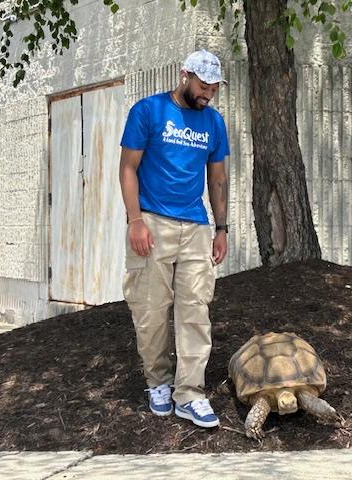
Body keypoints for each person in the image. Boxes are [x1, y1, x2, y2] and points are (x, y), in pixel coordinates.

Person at [119, 49, 229, 428]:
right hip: (152, 221)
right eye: (203, 86)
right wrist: (135, 221)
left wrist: (221, 228)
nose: (208, 94)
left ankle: (190, 393)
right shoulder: (148, 111)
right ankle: (159, 382)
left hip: (196, 227)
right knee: (150, 310)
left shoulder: (214, 123)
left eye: (214, 88)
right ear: (185, 76)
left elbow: (217, 178)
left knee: (195, 310)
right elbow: (128, 168)